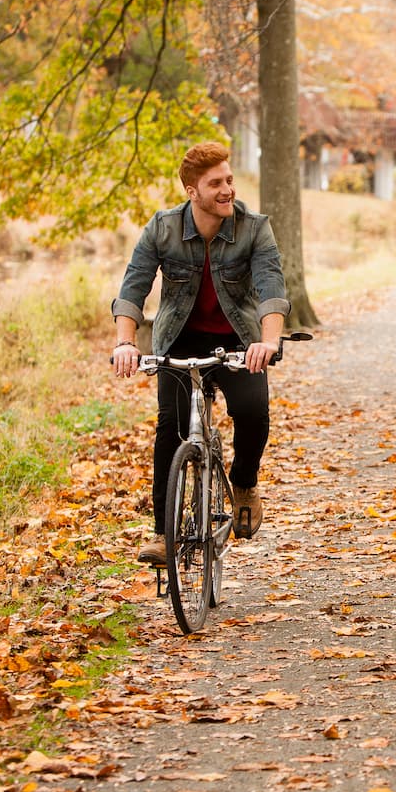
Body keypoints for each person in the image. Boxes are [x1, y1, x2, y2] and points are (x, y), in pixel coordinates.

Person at [110, 141, 290, 566]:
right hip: (179, 339)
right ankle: (163, 534)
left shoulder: (254, 227)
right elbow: (134, 286)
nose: (227, 189)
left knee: (252, 411)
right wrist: (124, 342)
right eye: (215, 184)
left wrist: (268, 342)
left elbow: (271, 287)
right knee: (170, 428)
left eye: (229, 179)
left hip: (239, 340)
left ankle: (243, 483)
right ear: (192, 191)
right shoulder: (163, 228)